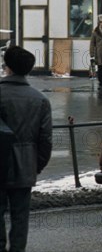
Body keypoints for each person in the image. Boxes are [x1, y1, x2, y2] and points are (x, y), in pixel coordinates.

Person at [0, 46, 52, 252]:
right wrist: (36, 164)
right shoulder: (39, 100)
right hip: (25, 165)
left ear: (8, 68)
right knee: (20, 216)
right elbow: (45, 139)